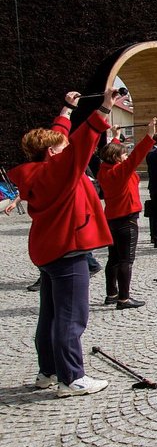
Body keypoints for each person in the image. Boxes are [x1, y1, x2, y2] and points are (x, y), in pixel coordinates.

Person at [7, 89, 124, 397]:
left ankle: (47, 371)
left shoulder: (38, 170)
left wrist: (66, 110)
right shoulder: (59, 169)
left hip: (48, 250)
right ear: (54, 154)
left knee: (50, 316)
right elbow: (80, 144)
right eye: (62, 146)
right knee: (71, 318)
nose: (66, 143)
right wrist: (102, 110)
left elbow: (60, 139)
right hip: (67, 251)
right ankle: (71, 378)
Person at [97, 117, 157, 309]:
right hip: (126, 218)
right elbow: (136, 156)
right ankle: (123, 298)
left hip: (112, 218)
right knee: (126, 260)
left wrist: (115, 138)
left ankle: (111, 294)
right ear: (116, 158)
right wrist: (150, 135)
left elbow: (113, 154)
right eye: (122, 154)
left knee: (113, 258)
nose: (125, 156)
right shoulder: (120, 171)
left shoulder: (104, 170)